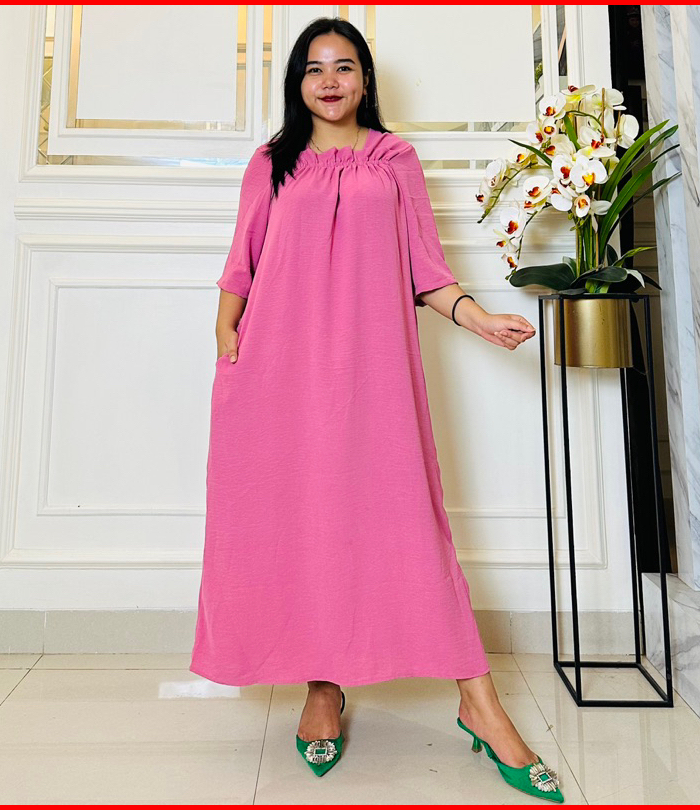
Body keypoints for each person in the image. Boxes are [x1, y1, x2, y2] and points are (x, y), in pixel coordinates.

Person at [190, 17, 563, 802]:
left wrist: (478, 318)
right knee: (301, 521)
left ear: (365, 80)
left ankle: (478, 700)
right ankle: (322, 687)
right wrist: (227, 337)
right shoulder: (271, 161)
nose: (330, 81)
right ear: (297, 83)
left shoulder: (395, 160)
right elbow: (242, 263)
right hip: (277, 373)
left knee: (406, 522)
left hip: (373, 373)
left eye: (344, 67)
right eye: (314, 68)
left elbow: (427, 269)